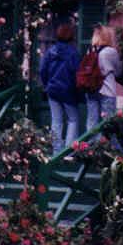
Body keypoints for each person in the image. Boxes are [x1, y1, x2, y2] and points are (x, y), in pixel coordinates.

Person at [39, 23, 81, 154]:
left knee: (56, 121)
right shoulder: (73, 53)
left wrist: (47, 85)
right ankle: (68, 151)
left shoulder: (50, 51)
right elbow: (77, 73)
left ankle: (56, 151)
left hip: (53, 90)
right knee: (73, 119)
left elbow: (42, 70)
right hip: (68, 90)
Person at [86, 25, 122, 132]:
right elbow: (119, 72)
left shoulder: (90, 50)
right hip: (107, 89)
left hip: (91, 88)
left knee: (92, 122)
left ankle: (91, 147)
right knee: (108, 122)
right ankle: (108, 147)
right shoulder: (111, 52)